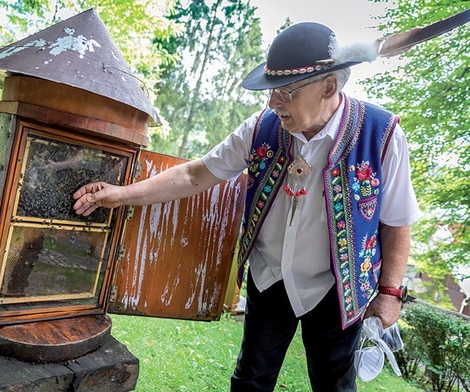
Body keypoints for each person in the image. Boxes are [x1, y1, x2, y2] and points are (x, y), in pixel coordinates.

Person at [72, 21, 421, 392]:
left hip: (341, 287)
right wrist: (119, 194)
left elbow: (396, 221)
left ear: (329, 87)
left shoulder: (382, 135)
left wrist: (389, 293)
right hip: (271, 276)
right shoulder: (261, 127)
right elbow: (195, 175)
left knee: (334, 384)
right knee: (251, 377)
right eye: (272, 92)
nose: (273, 104)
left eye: (285, 92)